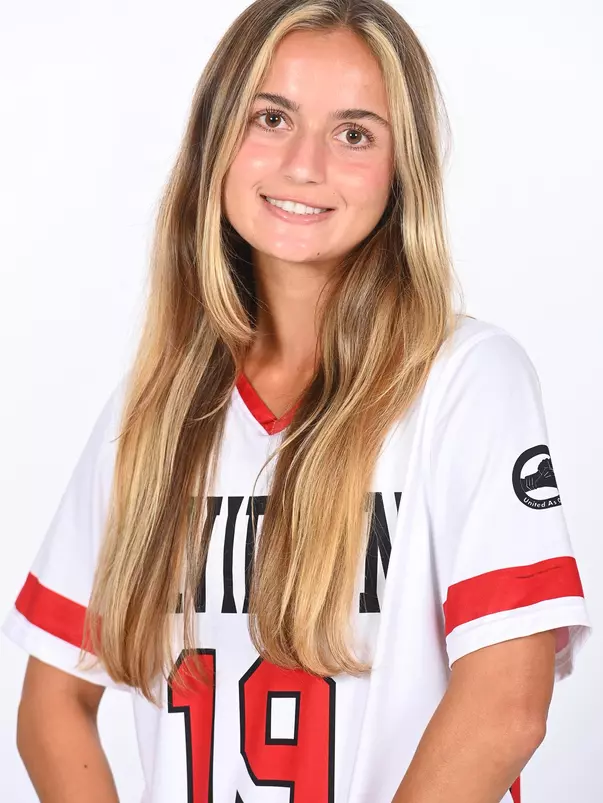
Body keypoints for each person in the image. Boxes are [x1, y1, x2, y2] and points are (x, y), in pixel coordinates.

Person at [3, 1, 592, 802]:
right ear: (217, 138)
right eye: (270, 117)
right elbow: (52, 703)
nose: (305, 164)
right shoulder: (155, 411)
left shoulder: (465, 378)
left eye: (354, 133)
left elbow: (509, 704)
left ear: (400, 168)